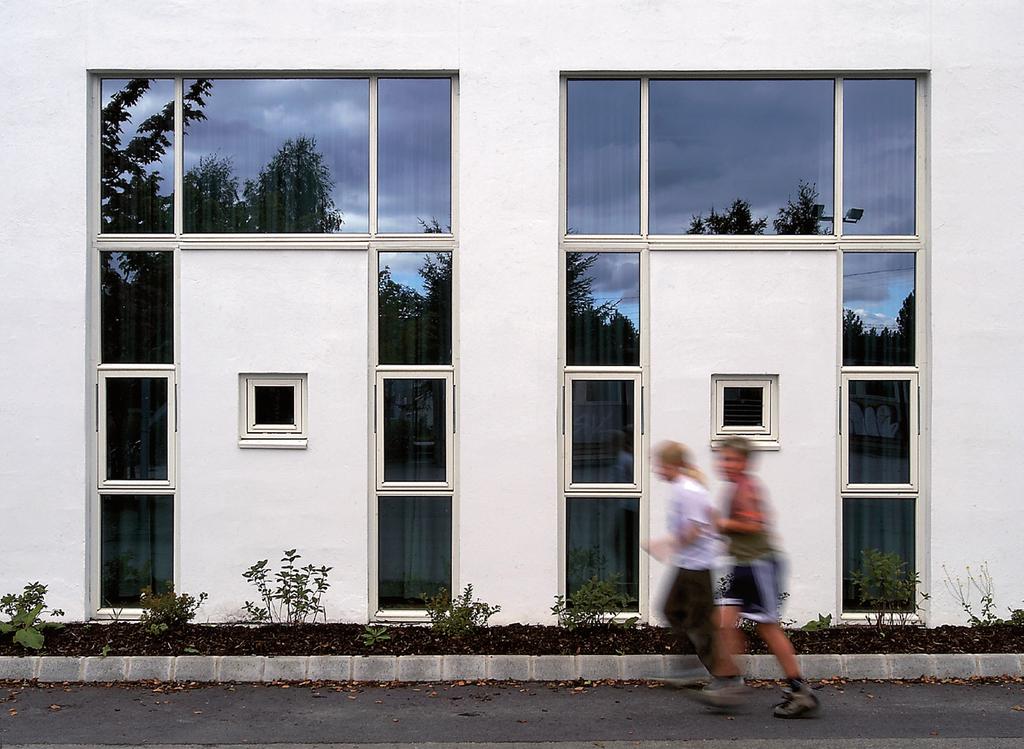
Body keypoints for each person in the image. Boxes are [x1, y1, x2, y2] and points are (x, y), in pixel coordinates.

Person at [702, 435, 820, 718]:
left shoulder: (747, 487)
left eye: (730, 458)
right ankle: (729, 681)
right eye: (723, 458)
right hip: (742, 566)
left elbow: (754, 524)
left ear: (743, 462)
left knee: (768, 628)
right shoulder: (734, 488)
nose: (724, 463)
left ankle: (799, 690)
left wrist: (723, 523)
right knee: (723, 622)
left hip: (760, 566)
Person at [648, 440, 722, 685]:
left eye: (660, 465)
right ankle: (692, 668)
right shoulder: (685, 487)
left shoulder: (688, 489)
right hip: (687, 564)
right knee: (673, 612)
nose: (657, 470)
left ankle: (726, 677)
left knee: (699, 623)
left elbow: (696, 528)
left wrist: (664, 545)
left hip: (697, 566)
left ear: (673, 465)